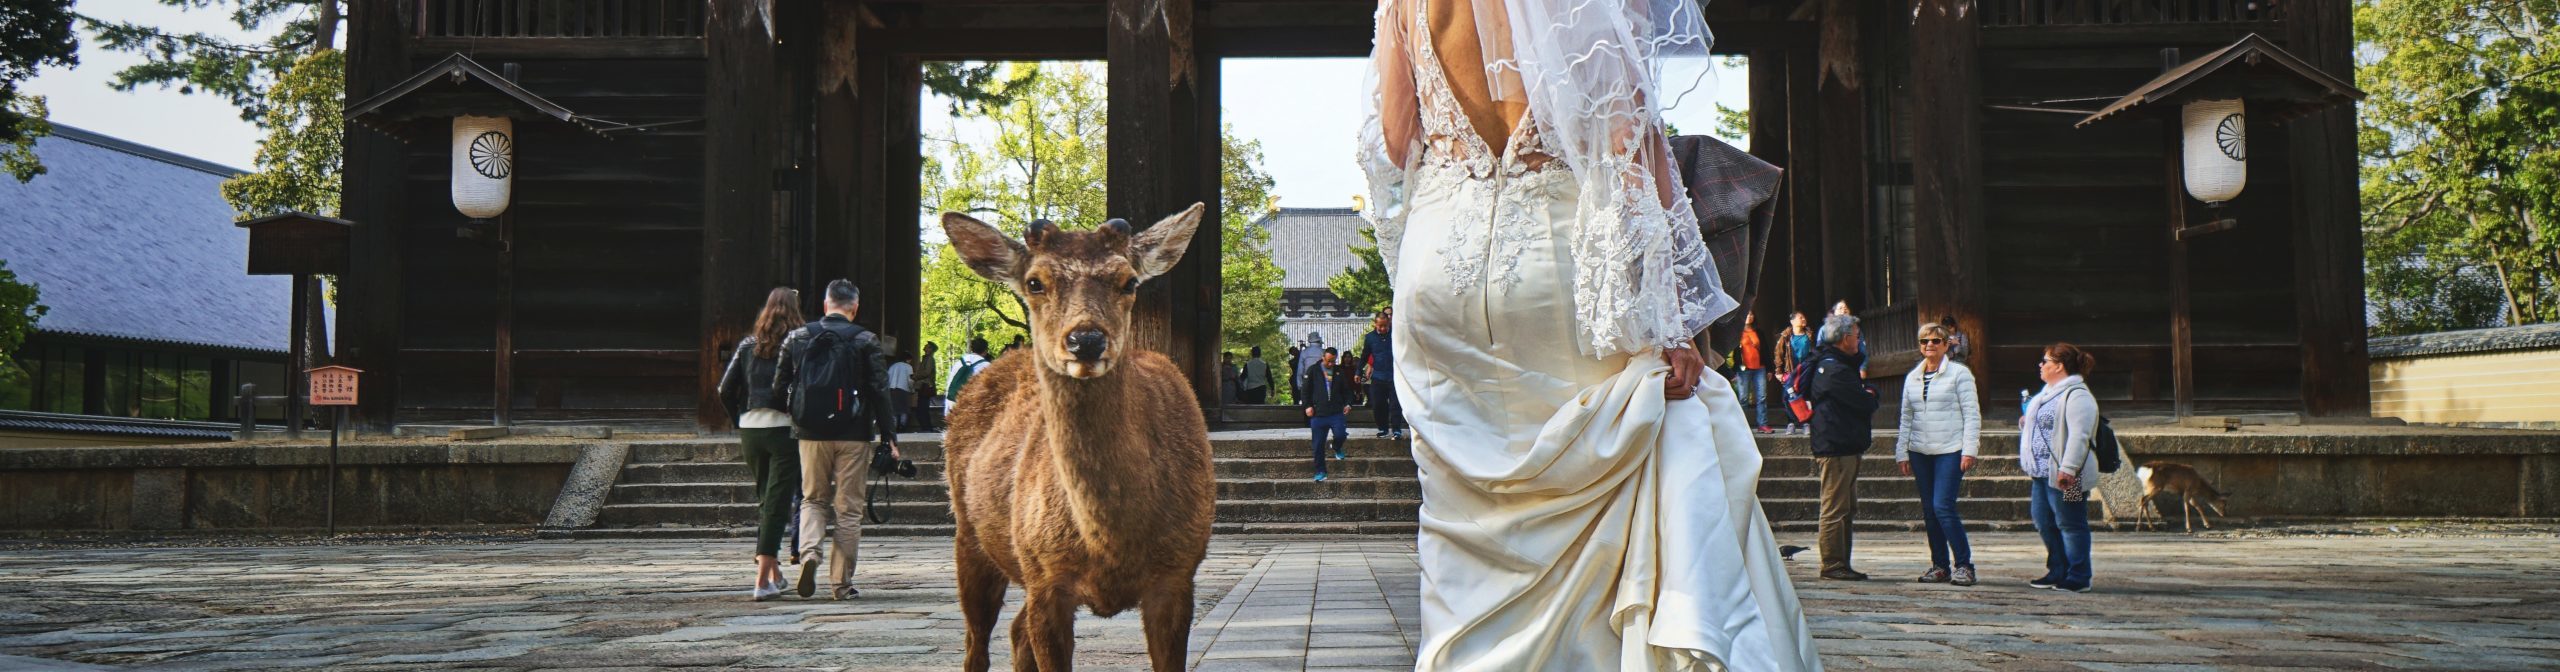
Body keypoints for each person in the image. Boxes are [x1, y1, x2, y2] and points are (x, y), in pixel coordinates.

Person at [1360, 0, 1821, 668]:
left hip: (1440, 273)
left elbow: (1396, 137)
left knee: (1466, 524)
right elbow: (1627, 141)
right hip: (1554, 266)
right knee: (1621, 461)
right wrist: (1672, 321)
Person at [770, 279, 899, 600]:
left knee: (813, 499)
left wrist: (798, 410)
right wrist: (889, 436)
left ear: (826, 305)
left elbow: (777, 385)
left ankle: (810, 553)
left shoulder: (797, 337)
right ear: (854, 308)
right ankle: (841, 584)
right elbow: (880, 392)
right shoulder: (866, 340)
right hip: (854, 434)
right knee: (849, 509)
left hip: (810, 433)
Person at [717, 287, 804, 601]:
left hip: (751, 429)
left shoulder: (747, 345)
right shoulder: (796, 344)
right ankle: (761, 581)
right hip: (783, 429)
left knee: (767, 501)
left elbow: (725, 390)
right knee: (778, 505)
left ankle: (775, 574)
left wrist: (739, 418)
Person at [1896, 323, 1980, 587]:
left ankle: (1964, 564)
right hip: (1920, 450)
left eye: (1935, 340)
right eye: (1924, 341)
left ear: (1946, 345)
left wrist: (1970, 449)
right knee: (1929, 510)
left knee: (1943, 506)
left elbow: (1971, 413)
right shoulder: (1912, 377)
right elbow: (1906, 416)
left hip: (1950, 449)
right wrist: (1902, 451)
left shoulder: (1959, 374)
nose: (1929, 345)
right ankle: (1940, 565)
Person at [1806, 314, 1877, 582]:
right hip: (1835, 446)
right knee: (1835, 507)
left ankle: (1842, 562)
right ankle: (1833, 563)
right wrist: (1870, 394)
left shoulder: (1836, 365)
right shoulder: (1833, 369)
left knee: (1846, 506)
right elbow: (1864, 402)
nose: (1859, 340)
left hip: (1843, 442)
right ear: (1845, 338)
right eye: (1857, 336)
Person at [2024, 342, 2100, 593]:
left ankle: (2079, 575)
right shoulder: (2047, 392)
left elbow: (2080, 435)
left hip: (2069, 474)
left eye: (2045, 361)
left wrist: (2068, 469)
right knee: (2043, 520)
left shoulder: (2077, 394)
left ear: (2059, 366)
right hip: (2042, 472)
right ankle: (2058, 569)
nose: (2041, 365)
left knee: (2071, 522)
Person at [1302, 347, 1350, 481]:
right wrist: (1307, 406)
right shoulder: (1313, 370)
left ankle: (1336, 446)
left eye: (1333, 361)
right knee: (1318, 445)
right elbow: (1305, 391)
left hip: (1335, 412)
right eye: (1328, 361)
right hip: (1318, 413)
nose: (1331, 364)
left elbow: (1346, 390)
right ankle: (1320, 471)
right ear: (1323, 358)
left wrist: (1348, 403)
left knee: (1340, 434)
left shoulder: (1339, 371)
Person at [1358, 308, 1405, 440]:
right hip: (1378, 376)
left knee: (1395, 405)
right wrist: (1358, 371)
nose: (1383, 328)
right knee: (1378, 404)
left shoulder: (1395, 335)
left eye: (1385, 325)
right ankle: (1383, 428)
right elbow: (1364, 356)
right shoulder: (1370, 338)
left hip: (1394, 375)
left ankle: (1396, 429)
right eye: (1380, 326)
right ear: (1375, 324)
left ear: (1389, 323)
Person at [1773, 311, 1815, 434]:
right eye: (1800, 317)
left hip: (1806, 370)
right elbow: (1778, 354)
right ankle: (1791, 423)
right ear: (1792, 321)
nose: (1803, 319)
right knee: (1788, 397)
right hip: (1790, 371)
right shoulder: (1785, 336)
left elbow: (1814, 352)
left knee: (1805, 395)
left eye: (1804, 317)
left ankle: (1805, 423)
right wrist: (1778, 371)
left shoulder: (1809, 335)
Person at [1737, 312, 1770, 433]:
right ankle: (1742, 426)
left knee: (1761, 397)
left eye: (1751, 315)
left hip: (1759, 368)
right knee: (1743, 398)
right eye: (1746, 314)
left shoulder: (1759, 332)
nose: (1749, 316)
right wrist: (1733, 371)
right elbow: (1734, 352)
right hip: (1743, 369)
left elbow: (1765, 350)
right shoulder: (1738, 332)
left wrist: (1770, 368)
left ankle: (1763, 424)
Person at [945, 337, 991, 408]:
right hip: (969, 406)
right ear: (986, 351)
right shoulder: (986, 365)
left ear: (972, 349)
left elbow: (949, 382)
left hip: (952, 400)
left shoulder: (960, 362)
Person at [882, 336, 913, 432]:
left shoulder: (893, 366)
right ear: (908, 359)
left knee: (894, 410)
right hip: (903, 390)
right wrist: (912, 389)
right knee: (904, 409)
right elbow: (910, 380)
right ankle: (902, 426)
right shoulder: (908, 367)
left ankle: (894, 427)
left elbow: (887, 378)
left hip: (892, 390)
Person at [914, 341, 940, 430]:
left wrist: (915, 376)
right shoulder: (926, 358)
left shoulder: (929, 359)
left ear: (930, 349)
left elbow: (927, 372)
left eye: (927, 346)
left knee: (922, 409)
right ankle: (926, 427)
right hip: (923, 386)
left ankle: (927, 428)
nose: (925, 346)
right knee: (921, 408)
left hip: (925, 386)